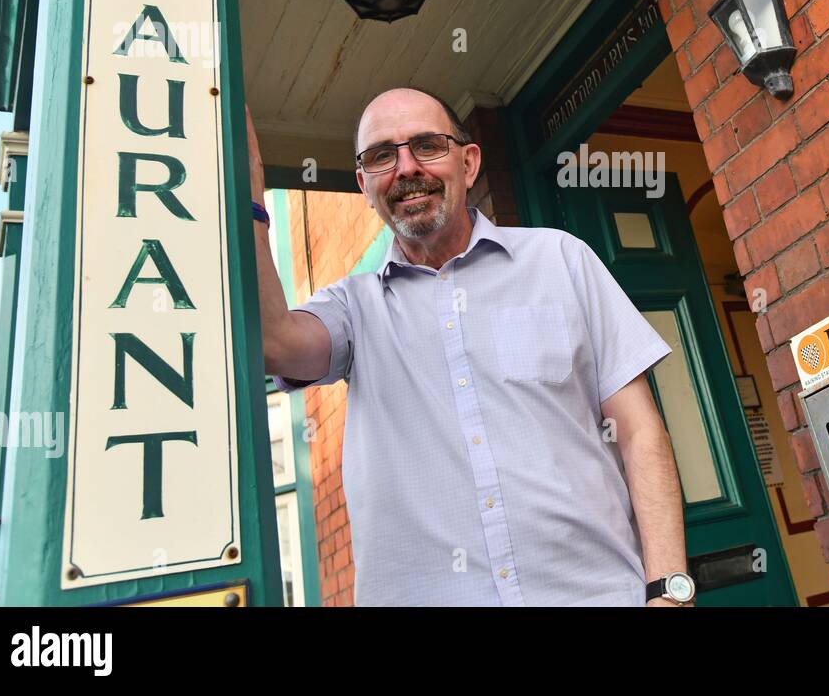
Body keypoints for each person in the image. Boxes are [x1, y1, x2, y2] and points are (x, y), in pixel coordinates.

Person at [246, 88, 695, 606]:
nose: (406, 168)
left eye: (428, 145)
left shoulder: (560, 261)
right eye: (381, 156)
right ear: (364, 185)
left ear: (470, 161)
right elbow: (274, 343)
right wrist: (248, 188)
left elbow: (639, 432)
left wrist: (668, 590)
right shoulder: (352, 310)